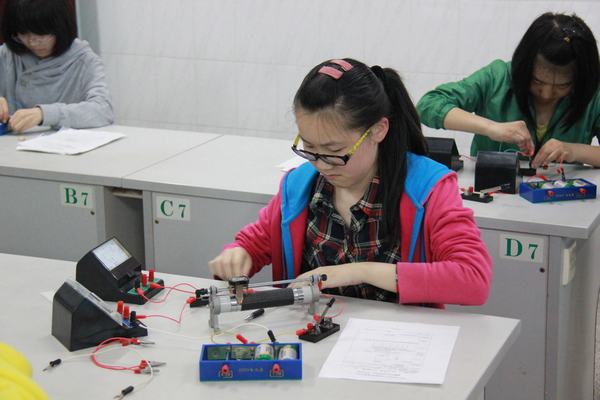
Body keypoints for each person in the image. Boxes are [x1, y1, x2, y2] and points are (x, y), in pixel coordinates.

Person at [209, 58, 492, 307]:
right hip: (314, 335)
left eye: (334, 151)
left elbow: (473, 279)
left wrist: (358, 271)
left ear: (378, 130)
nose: (321, 164)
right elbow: (255, 243)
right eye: (309, 147)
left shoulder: (426, 188)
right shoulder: (300, 185)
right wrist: (238, 255)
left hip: (396, 341)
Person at [416, 12, 600, 168]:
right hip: (492, 194)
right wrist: (491, 128)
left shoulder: (594, 94)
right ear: (524, 65)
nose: (546, 94)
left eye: (562, 86)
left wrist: (574, 151)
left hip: (564, 197)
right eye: (537, 81)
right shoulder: (498, 78)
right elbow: (428, 105)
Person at [0, 0, 113, 133]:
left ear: (60, 27)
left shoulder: (84, 60)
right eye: (23, 33)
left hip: (67, 143)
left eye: (41, 33)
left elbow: (103, 110)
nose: (32, 42)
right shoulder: (8, 55)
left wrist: (44, 114)